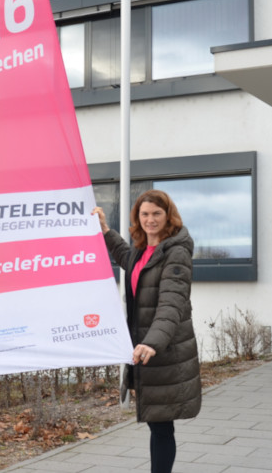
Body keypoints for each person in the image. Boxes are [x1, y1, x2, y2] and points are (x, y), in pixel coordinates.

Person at [93, 190, 202, 473]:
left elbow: (172, 303)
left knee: (161, 425)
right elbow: (126, 258)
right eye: (144, 214)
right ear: (137, 218)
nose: (150, 220)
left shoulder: (176, 251)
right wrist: (105, 231)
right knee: (158, 423)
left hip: (163, 350)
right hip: (146, 350)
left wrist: (153, 342)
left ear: (168, 216)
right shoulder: (143, 249)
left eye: (156, 213)